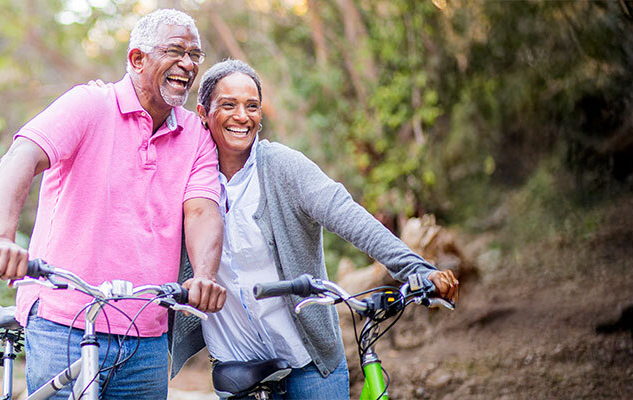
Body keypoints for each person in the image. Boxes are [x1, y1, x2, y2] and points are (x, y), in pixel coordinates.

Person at [169, 59, 460, 399]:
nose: (242, 116)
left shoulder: (282, 167)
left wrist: (416, 269)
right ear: (203, 113)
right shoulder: (186, 176)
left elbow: (346, 214)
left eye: (252, 106)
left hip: (307, 360)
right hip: (236, 365)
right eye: (228, 105)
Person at [0, 9, 228, 399]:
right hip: (63, 323)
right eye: (176, 50)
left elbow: (201, 210)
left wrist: (204, 276)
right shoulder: (90, 105)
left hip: (146, 334)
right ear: (137, 59)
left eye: (195, 54)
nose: (188, 63)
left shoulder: (195, 135)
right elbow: (20, 158)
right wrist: (2, 238)